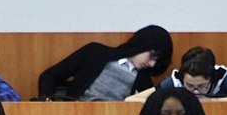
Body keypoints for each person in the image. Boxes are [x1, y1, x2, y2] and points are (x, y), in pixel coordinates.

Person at [37, 25, 173, 101]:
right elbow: (50, 76)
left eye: (157, 61)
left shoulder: (143, 81)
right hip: (75, 112)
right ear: (143, 44)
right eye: (152, 56)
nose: (152, 64)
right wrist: (46, 99)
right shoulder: (96, 53)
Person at [128, 46, 227, 102]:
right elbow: (131, 100)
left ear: (212, 78)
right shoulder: (176, 81)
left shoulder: (222, 75)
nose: (196, 92)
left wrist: (210, 101)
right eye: (190, 86)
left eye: (202, 86)